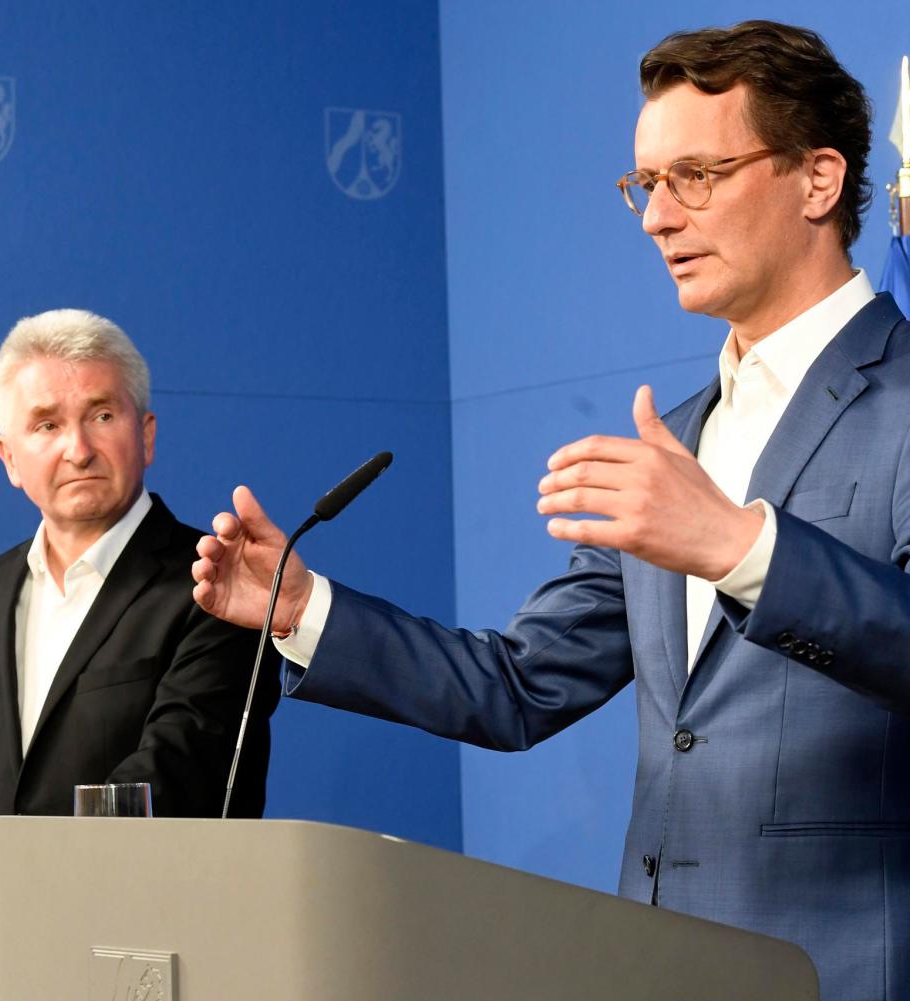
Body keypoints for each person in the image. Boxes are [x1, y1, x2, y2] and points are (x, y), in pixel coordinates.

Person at [192, 20, 909, 1001]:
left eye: (694, 175)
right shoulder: (680, 437)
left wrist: (742, 548)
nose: (658, 217)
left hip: (851, 971)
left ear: (817, 181)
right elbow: (519, 685)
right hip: (659, 965)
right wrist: (303, 608)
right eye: (644, 185)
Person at [0, 309, 279, 978]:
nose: (77, 447)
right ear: (9, 457)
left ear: (146, 433)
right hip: (2, 974)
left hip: (159, 963)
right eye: (46, 424)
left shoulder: (216, 582)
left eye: (101, 415)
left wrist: (36, 889)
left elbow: (176, 775)